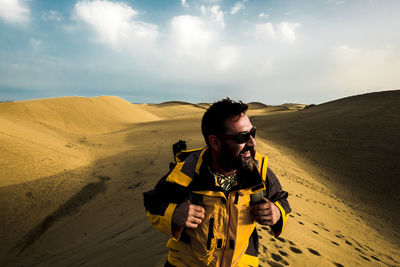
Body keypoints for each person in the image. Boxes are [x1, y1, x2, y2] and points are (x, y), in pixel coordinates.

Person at [143, 98, 291, 267]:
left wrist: (277, 212)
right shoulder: (187, 172)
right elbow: (152, 203)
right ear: (215, 142)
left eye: (253, 133)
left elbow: (281, 199)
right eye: (243, 137)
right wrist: (174, 214)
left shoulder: (258, 171)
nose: (252, 142)